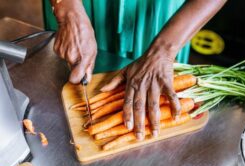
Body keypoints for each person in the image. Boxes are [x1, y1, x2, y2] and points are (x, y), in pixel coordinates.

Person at [47, 0, 226, 140]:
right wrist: (67, 10)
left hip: (171, 21)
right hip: (85, 8)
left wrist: (163, 50)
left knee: (153, 87)